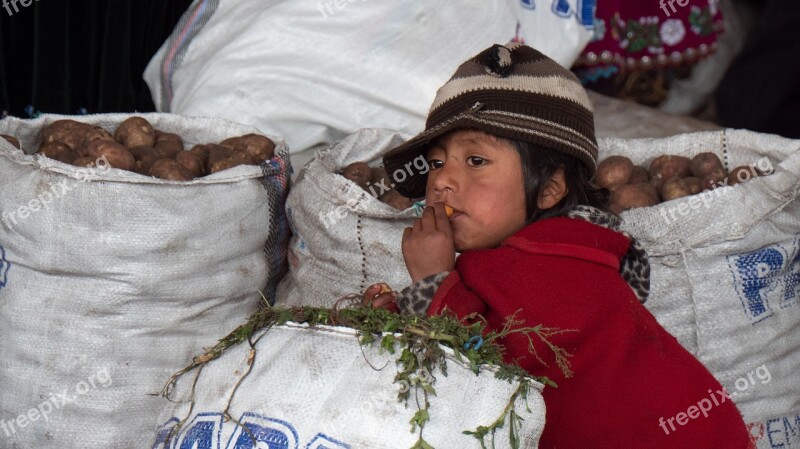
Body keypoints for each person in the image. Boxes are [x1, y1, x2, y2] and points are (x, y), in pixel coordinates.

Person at [368, 43, 753, 449]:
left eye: (476, 161)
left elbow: (484, 369)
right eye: (436, 162)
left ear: (550, 188)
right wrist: (403, 307)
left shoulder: (541, 266)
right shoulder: (565, 251)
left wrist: (431, 281)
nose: (441, 181)